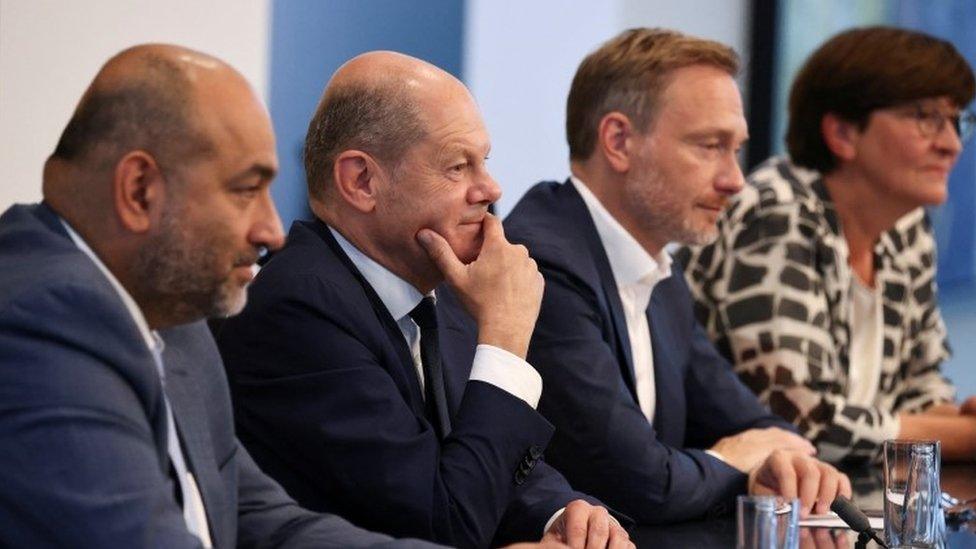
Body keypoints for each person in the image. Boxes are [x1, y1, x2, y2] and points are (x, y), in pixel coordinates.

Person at [0, 44, 453, 548]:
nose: (272, 230)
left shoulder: (175, 318)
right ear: (140, 191)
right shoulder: (42, 325)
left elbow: (263, 521)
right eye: (245, 191)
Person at [214, 51, 632, 549]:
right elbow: (445, 522)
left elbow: (481, 449)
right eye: (458, 166)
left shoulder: (436, 292)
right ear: (361, 181)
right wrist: (505, 336)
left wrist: (561, 514)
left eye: (485, 162)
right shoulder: (298, 308)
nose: (491, 188)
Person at [504, 28, 851, 525]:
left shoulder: (660, 270)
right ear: (619, 141)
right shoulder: (544, 262)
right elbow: (641, 484)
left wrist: (779, 461)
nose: (734, 180)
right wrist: (738, 461)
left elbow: (758, 426)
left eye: (736, 150)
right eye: (711, 146)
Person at [679, 26, 976, 464]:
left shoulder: (906, 228)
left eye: (957, 121)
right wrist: (964, 437)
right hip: (727, 511)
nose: (951, 143)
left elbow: (918, 391)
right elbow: (801, 421)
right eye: (926, 117)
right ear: (842, 133)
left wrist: (955, 419)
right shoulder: (775, 213)